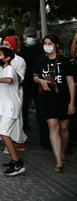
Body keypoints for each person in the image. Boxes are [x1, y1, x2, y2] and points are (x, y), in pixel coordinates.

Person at [33, 34, 75, 173]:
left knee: (64, 128)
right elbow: (35, 76)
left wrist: (72, 102)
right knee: (53, 127)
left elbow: (70, 82)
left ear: (56, 45)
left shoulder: (65, 61)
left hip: (63, 97)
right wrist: (41, 81)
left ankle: (63, 151)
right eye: (45, 43)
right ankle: (58, 160)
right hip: (48, 98)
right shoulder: (39, 59)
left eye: (50, 43)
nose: (47, 45)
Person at [0, 47, 26, 176]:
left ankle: (18, 163)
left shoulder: (10, 69)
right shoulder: (3, 69)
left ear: (7, 58)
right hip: (5, 106)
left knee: (3, 132)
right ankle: (15, 160)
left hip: (11, 106)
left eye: (0, 55)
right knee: (4, 133)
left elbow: (9, 80)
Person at [19, 27, 48, 147]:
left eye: (33, 37)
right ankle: (22, 138)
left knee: (42, 113)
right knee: (22, 112)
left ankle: (45, 141)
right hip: (23, 86)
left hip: (38, 86)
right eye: (29, 36)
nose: (31, 39)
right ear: (24, 36)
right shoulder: (19, 50)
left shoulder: (41, 50)